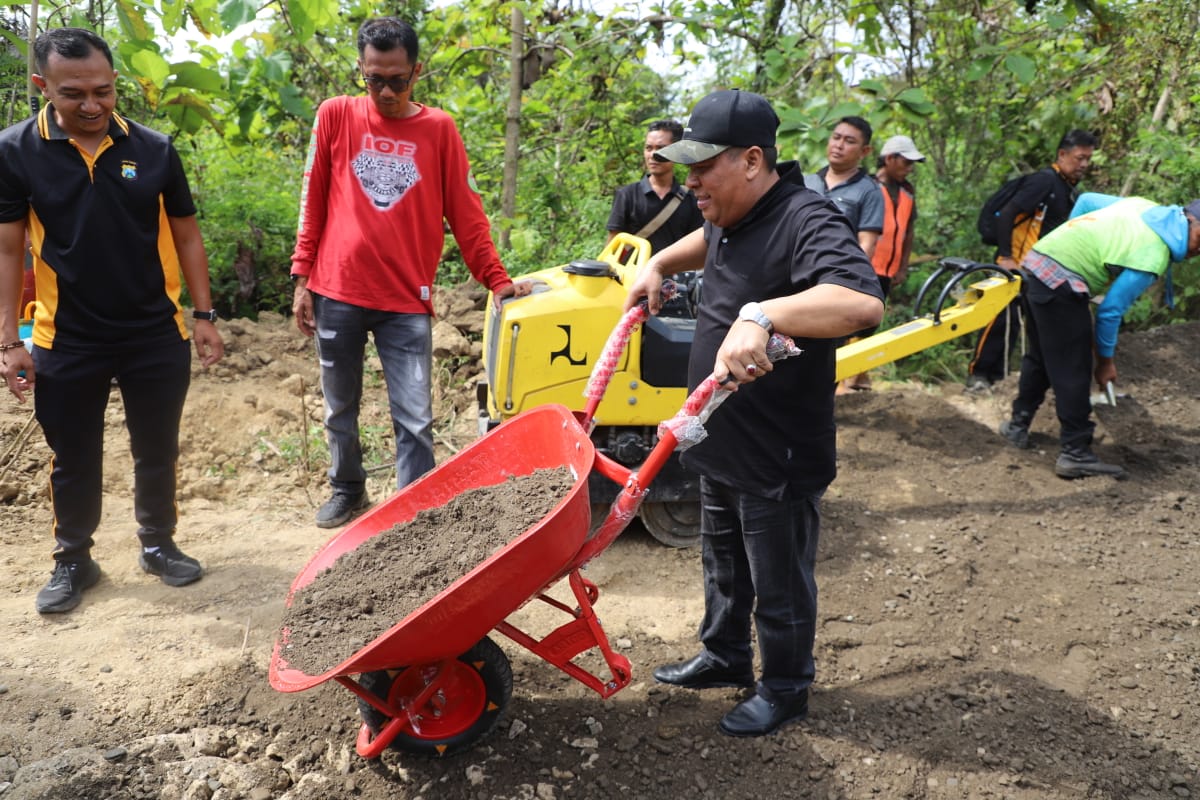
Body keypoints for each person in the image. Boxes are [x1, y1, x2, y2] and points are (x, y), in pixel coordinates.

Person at [624, 89, 884, 737]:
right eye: (684, 167)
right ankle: (725, 654)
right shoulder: (729, 208)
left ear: (750, 159)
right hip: (723, 436)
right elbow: (703, 238)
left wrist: (762, 314)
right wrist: (658, 260)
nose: (690, 182)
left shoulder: (806, 217)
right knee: (723, 563)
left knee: (779, 581)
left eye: (702, 167)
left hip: (778, 450)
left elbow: (861, 301)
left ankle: (787, 687)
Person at [0, 27, 225, 614]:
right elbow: (7, 250)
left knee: (158, 448)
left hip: (154, 331)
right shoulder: (16, 151)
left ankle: (158, 543)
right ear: (41, 86)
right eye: (74, 94)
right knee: (73, 455)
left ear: (115, 84)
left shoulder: (153, 149)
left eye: (103, 91)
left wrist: (203, 314)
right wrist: (8, 342)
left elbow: (187, 234)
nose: (92, 106)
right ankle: (73, 558)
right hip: (65, 335)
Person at [290, 16, 529, 529]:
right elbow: (313, 198)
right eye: (374, 79)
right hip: (338, 290)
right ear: (361, 70)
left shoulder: (438, 129)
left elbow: (466, 213)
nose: (386, 92)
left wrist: (497, 279)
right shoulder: (335, 116)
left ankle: (414, 513)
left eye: (398, 80)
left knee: (415, 418)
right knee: (339, 410)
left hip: (405, 299)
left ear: (416, 72)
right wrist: (302, 276)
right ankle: (348, 489)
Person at [998, 196, 1200, 479]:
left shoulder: (1145, 207)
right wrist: (1105, 362)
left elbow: (1086, 200)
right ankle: (1075, 453)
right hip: (1060, 282)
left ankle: (1018, 426)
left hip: (1038, 261)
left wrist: (1072, 241)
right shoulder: (1153, 252)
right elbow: (1109, 312)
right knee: (1075, 367)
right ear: (1190, 219)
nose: (1199, 249)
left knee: (1042, 355)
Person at [967, 129, 1098, 390]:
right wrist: (1006, 257)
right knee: (1001, 319)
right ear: (1062, 154)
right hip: (1015, 263)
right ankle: (979, 376)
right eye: (1079, 157)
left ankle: (1003, 379)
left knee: (1032, 326)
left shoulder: (1067, 189)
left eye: (1088, 159)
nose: (1084, 164)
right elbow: (1008, 214)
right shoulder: (1044, 182)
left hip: (1040, 271)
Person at [840, 134, 925, 391]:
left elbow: (908, 230)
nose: (910, 168)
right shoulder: (868, 187)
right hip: (865, 265)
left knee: (871, 323)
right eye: (906, 162)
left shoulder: (907, 192)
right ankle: (843, 377)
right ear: (889, 159)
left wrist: (902, 265)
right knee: (849, 320)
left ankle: (857, 372)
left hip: (888, 268)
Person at [606, 120, 704, 254]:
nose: (652, 155)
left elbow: (697, 246)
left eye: (660, 148)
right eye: (648, 148)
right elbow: (613, 246)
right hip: (633, 274)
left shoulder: (691, 198)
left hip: (675, 273)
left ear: (676, 152)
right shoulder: (627, 195)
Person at [803, 116, 884, 258]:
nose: (839, 145)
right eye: (836, 137)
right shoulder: (807, 182)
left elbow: (867, 244)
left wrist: (846, 276)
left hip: (835, 271)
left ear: (864, 151)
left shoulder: (870, 191)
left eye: (849, 141)